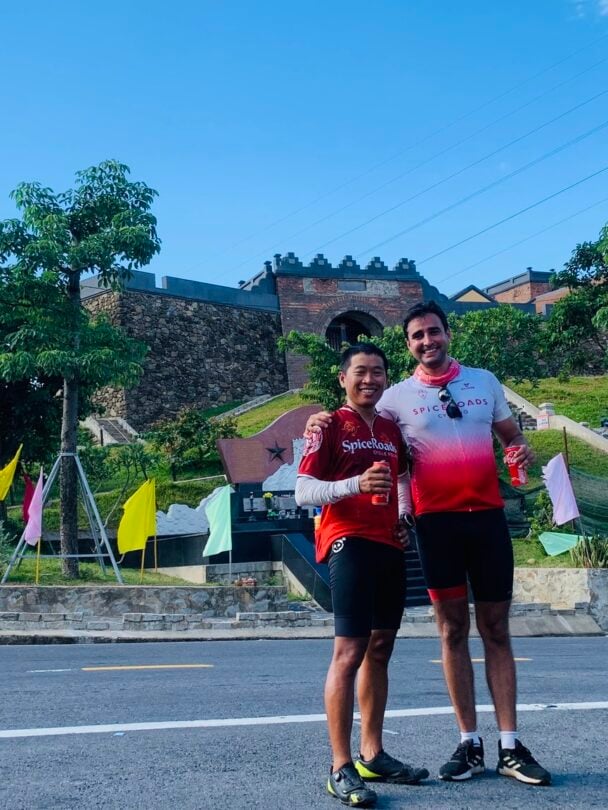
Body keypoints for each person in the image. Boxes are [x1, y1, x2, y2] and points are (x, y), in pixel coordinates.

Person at [305, 302, 551, 787]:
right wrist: (318, 419)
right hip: (435, 526)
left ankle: (509, 744)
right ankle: (468, 742)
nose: (427, 342)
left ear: (447, 333)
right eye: (417, 336)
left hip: (487, 520)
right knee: (451, 630)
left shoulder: (484, 382)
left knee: (497, 629)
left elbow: (512, 439)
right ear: (408, 345)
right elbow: (368, 429)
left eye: (433, 332)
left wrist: (522, 450)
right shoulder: (395, 398)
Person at [295, 342, 428, 807]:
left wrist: (405, 516)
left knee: (381, 647)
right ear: (342, 379)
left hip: (389, 545)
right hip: (346, 540)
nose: (369, 379)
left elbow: (404, 477)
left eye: (377, 372)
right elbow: (303, 491)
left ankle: (373, 753)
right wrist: (354, 484)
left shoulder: (392, 430)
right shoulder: (328, 425)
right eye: (359, 372)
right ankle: (340, 765)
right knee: (348, 651)